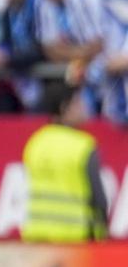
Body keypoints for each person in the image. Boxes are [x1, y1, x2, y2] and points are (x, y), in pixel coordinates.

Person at [21, 82, 110, 243]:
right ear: (64, 108)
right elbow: (98, 198)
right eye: (78, 102)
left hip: (37, 235)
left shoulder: (35, 142)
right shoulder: (83, 145)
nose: (84, 107)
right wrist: (103, 230)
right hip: (76, 236)